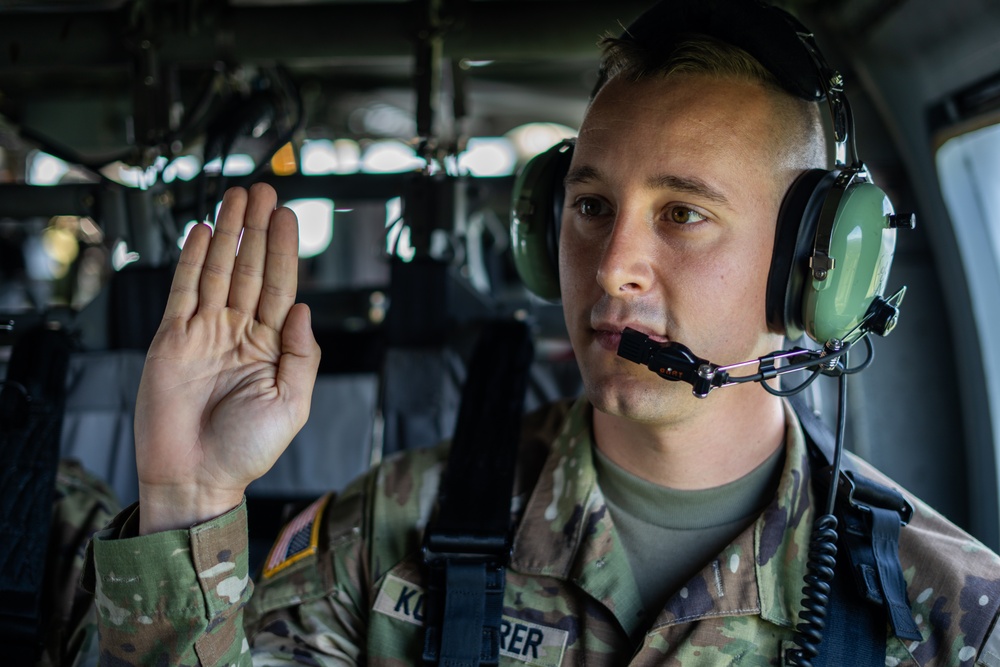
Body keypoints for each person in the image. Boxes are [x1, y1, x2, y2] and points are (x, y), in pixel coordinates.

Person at [81, 0, 1000, 664]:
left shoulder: (953, 612)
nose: (610, 267)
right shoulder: (397, 528)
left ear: (815, 268)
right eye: (590, 205)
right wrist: (187, 498)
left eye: (682, 214)